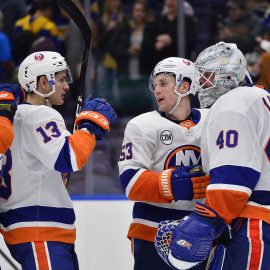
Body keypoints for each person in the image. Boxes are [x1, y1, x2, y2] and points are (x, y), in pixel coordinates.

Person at [155, 41, 270, 269]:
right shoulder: (258, 98)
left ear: (226, 75)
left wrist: (206, 219)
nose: (200, 84)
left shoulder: (233, 102)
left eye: (206, 76)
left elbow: (234, 175)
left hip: (252, 225)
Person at [0, 51, 117, 269]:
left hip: (30, 228)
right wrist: (90, 127)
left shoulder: (13, 116)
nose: (67, 86)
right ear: (43, 82)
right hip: (40, 228)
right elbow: (69, 158)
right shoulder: (41, 115)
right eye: (62, 79)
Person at [118, 57, 210, 270]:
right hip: (152, 232)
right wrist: (172, 184)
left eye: (163, 83)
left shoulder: (212, 119)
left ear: (184, 86)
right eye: (155, 84)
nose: (156, 90)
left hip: (201, 231)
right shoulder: (141, 125)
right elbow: (129, 182)